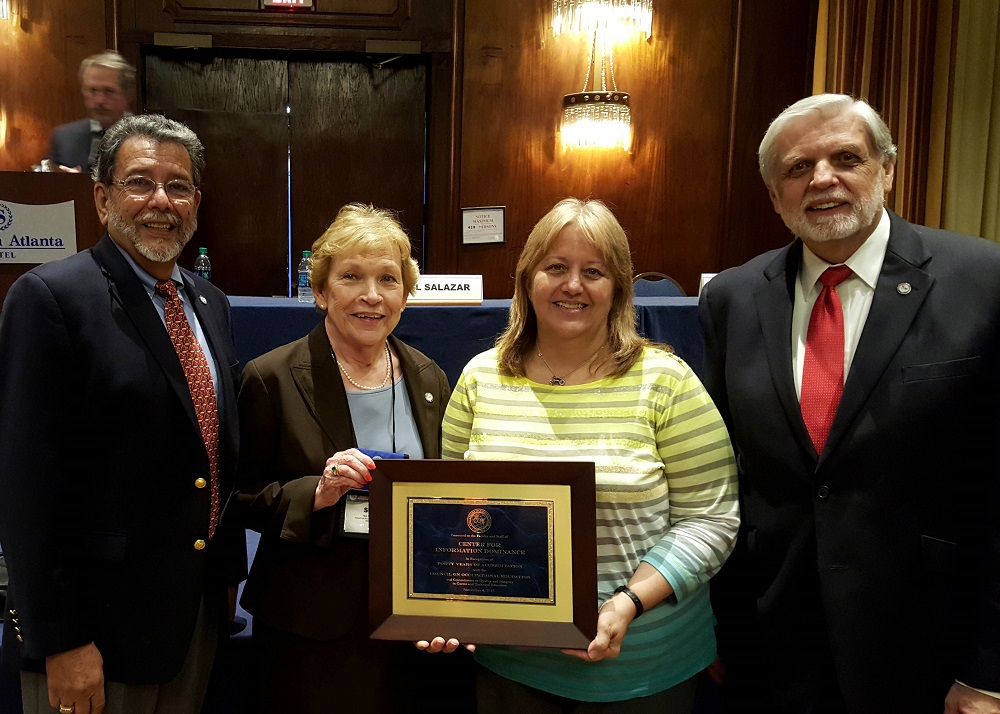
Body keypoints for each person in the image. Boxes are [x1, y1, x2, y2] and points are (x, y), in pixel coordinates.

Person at [698, 93, 1000, 713]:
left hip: (930, 653)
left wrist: (988, 670)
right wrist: (721, 631)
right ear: (775, 195)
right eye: (797, 168)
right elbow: (726, 481)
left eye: (846, 158)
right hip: (773, 652)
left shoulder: (985, 281)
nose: (823, 179)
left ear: (887, 169)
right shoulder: (732, 298)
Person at [438, 197, 739, 712]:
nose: (572, 285)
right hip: (510, 662)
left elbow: (710, 520)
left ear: (618, 288)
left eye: (593, 271)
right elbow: (453, 513)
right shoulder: (480, 378)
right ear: (527, 280)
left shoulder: (666, 381)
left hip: (644, 664)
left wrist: (628, 603)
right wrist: (443, 605)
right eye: (555, 267)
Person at [0, 114, 243, 714]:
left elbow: (211, 452)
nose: (161, 200)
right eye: (140, 182)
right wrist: (61, 641)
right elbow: (26, 489)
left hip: (193, 616)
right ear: (103, 198)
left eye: (178, 186)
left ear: (196, 202)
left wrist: (226, 583)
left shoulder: (209, 302)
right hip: (95, 635)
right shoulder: (50, 298)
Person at [234, 203, 474, 713]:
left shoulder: (429, 378)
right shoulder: (270, 378)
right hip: (312, 630)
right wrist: (314, 493)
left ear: (406, 295)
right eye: (351, 277)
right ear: (320, 292)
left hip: (411, 621)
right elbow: (238, 498)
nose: (371, 295)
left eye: (388, 279)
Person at [45, 51, 134, 173]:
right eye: (93, 90)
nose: (99, 101)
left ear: (127, 95)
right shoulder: (64, 138)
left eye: (109, 91)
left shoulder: (149, 139)